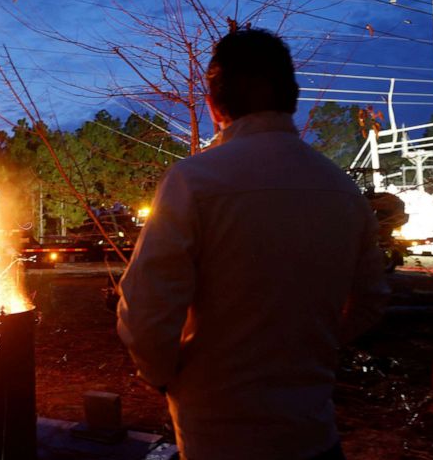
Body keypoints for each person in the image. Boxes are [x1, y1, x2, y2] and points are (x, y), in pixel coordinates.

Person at [116, 28, 388, 460]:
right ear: (291, 97)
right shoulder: (342, 190)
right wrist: (312, 347)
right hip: (313, 434)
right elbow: (372, 300)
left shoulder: (194, 182)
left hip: (218, 436)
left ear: (212, 104)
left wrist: (167, 376)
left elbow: (146, 308)